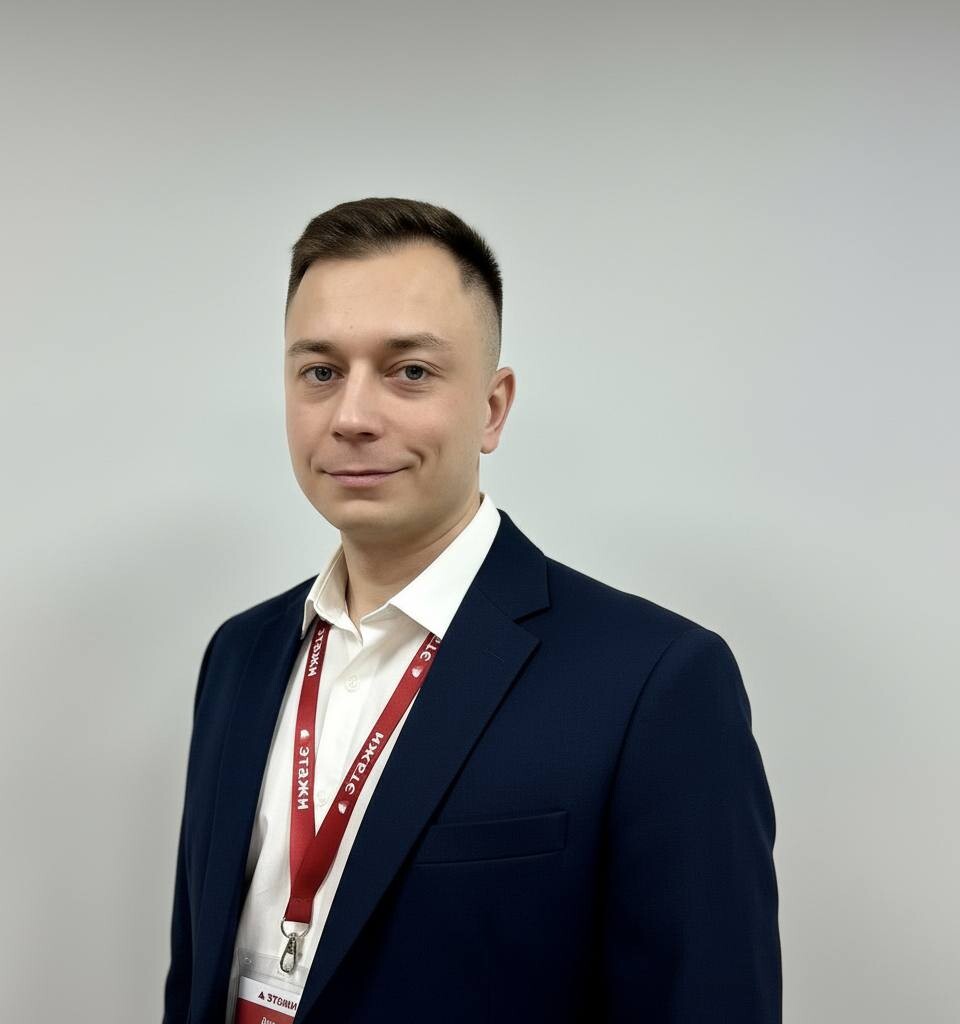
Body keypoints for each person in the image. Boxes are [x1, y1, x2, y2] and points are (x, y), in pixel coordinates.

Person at [162, 197, 782, 1024]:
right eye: (321, 372)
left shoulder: (653, 683)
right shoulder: (239, 656)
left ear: (492, 408)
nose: (352, 417)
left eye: (410, 372)